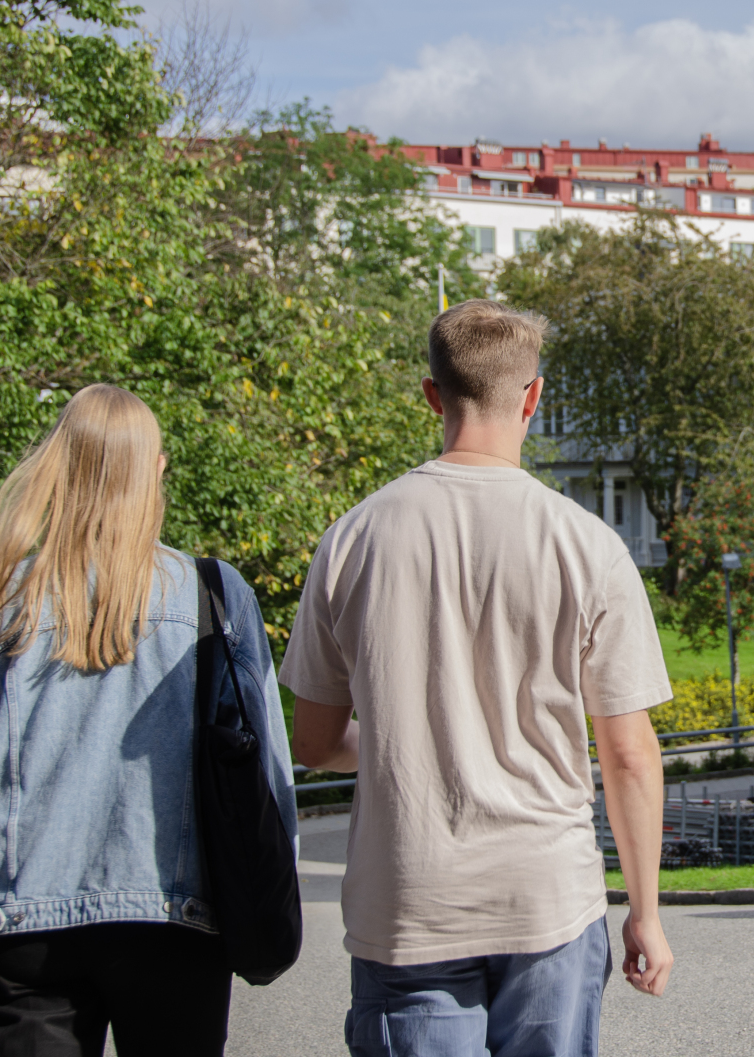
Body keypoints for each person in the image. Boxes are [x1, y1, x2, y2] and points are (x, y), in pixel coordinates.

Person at [281, 298, 674, 1057]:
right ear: (533, 397)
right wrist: (646, 913)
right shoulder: (587, 545)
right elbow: (629, 755)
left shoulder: (352, 539)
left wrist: (400, 742)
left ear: (433, 395)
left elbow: (316, 742)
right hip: (547, 896)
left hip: (409, 899)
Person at [0, 384, 298, 1057]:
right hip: (173, 915)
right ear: (156, 469)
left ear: (60, 467)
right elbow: (268, 774)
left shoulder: (0, 595)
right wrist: (270, 891)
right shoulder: (212, 593)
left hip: (20, 920)